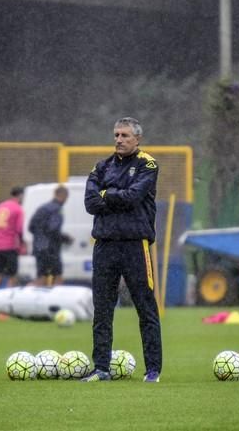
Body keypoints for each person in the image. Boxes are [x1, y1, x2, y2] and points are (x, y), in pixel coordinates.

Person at [80, 117, 162, 383]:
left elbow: (133, 197)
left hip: (135, 244)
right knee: (102, 308)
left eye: (125, 135)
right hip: (104, 245)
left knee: (145, 307)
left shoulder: (147, 164)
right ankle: (101, 368)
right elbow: (90, 202)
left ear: (137, 139)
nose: (119, 140)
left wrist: (107, 194)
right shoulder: (101, 166)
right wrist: (114, 194)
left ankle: (152, 370)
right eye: (116, 134)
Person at [28, 185, 72, 286]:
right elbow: (53, 229)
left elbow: (31, 227)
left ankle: (26, 294)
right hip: (51, 249)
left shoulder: (42, 208)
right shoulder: (57, 209)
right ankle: (56, 300)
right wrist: (66, 239)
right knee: (58, 276)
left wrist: (40, 237)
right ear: (63, 196)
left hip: (39, 248)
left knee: (42, 277)